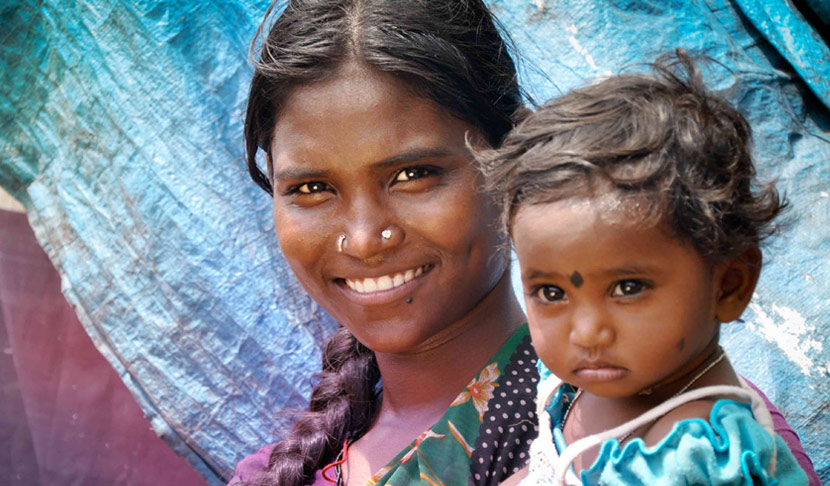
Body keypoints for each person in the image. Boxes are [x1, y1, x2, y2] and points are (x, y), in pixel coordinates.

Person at [229, 1, 820, 485]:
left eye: (413, 175)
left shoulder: (685, 439)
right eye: (311, 187)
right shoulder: (277, 474)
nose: (364, 237)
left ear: (509, 160)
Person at [478, 51, 809, 485]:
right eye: (552, 293)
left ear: (730, 285)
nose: (587, 331)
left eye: (628, 287)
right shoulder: (588, 381)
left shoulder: (693, 461)